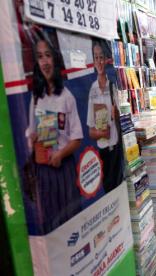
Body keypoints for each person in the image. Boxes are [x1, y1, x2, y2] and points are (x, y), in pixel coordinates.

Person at [26, 37, 83, 234]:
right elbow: (31, 133)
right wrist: (32, 139)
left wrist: (60, 154)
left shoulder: (67, 97)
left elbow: (76, 138)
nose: (45, 62)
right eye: (40, 57)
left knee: (70, 224)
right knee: (50, 225)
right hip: (43, 172)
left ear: (55, 60)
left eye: (48, 55)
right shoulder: (36, 97)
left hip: (64, 169)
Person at [87, 40, 123, 193]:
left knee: (119, 190)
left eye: (101, 57)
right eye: (96, 58)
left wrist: (117, 114)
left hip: (116, 150)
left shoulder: (113, 85)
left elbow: (122, 117)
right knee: (109, 192)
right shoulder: (93, 90)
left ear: (106, 59)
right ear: (93, 61)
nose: (99, 62)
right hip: (103, 154)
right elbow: (90, 131)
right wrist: (101, 133)